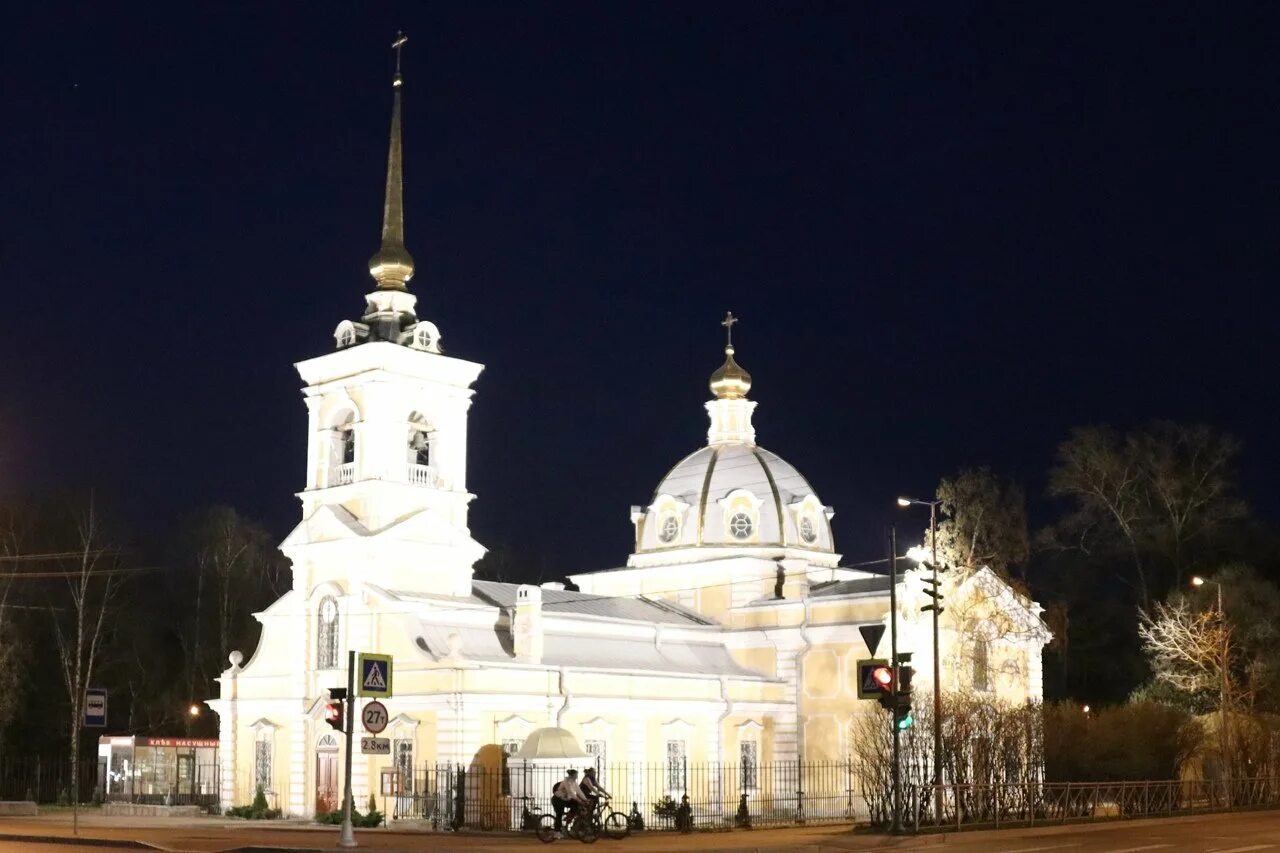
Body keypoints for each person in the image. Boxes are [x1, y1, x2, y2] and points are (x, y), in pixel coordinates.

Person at [551, 768, 589, 834]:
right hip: (557, 799)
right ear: (572, 775)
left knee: (576, 805)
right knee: (559, 813)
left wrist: (585, 799)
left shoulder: (574, 782)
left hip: (565, 799)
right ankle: (557, 832)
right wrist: (578, 800)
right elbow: (570, 792)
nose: (577, 776)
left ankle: (569, 817)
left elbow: (579, 791)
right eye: (576, 775)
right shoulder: (566, 781)